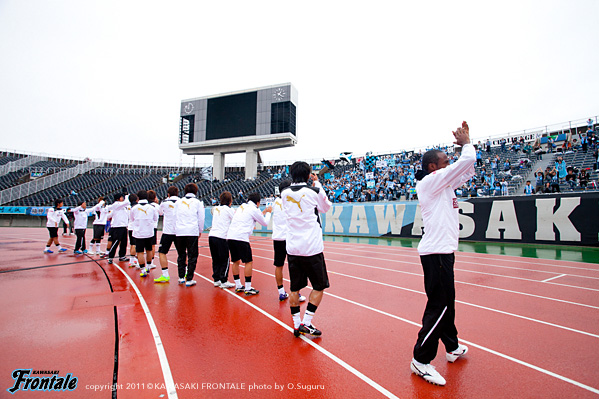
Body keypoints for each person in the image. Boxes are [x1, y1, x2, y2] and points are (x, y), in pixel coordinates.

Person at [410, 121, 473, 386]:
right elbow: (465, 160)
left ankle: (452, 346)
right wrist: (467, 143)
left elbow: (467, 168)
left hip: (443, 252)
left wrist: (467, 147)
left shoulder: (444, 184)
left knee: (449, 302)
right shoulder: (429, 183)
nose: (450, 163)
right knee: (439, 305)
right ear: (433, 167)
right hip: (435, 254)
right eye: (446, 161)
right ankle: (420, 360)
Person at [281, 161, 332, 338]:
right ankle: (307, 322)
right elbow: (326, 207)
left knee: (294, 288)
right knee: (319, 286)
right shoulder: (314, 191)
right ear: (309, 174)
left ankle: (296, 326)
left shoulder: (284, 193)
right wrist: (317, 183)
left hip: (293, 248)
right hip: (312, 248)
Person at [226, 192, 273, 295]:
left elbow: (256, 215)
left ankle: (238, 285)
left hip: (231, 236)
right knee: (248, 262)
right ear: (257, 202)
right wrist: (269, 212)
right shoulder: (254, 209)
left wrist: (264, 211)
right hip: (241, 238)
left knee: (235, 261)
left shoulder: (242, 206)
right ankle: (248, 287)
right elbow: (264, 222)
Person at [271, 179, 306, 302]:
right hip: (289, 237)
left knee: (278, 265)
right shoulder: (290, 202)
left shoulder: (275, 202)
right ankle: (296, 293)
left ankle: (281, 292)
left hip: (278, 238)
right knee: (295, 266)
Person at [174, 183, 205, 287]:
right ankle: (189, 278)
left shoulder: (178, 202)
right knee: (192, 255)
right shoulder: (198, 203)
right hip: (192, 231)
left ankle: (181, 277)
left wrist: (176, 229)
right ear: (196, 191)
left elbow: (175, 216)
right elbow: (201, 218)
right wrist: (200, 230)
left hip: (180, 231)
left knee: (181, 255)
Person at [208, 191, 236, 288]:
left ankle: (216, 279)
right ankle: (224, 280)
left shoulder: (216, 208)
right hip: (221, 237)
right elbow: (236, 219)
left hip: (212, 236)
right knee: (225, 259)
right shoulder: (229, 210)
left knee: (215, 259)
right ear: (230, 201)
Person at [130, 190, 159, 278]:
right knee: (149, 250)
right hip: (149, 232)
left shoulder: (134, 208)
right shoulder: (152, 208)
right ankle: (148, 267)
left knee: (140, 252)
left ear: (138, 198)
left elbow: (131, 219)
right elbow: (155, 218)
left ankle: (143, 270)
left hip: (138, 233)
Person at [154, 186, 179, 283]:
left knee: (162, 252)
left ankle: (165, 274)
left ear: (168, 194)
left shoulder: (164, 203)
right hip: (178, 231)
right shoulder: (181, 202)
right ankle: (185, 272)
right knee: (181, 253)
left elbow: (160, 213)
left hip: (168, 232)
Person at [103, 193, 132, 264]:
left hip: (124, 226)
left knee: (124, 243)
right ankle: (110, 257)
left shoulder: (123, 206)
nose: (123, 198)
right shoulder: (116, 204)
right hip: (117, 227)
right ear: (118, 199)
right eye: (121, 197)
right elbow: (127, 201)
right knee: (115, 242)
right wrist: (127, 195)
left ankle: (122, 256)